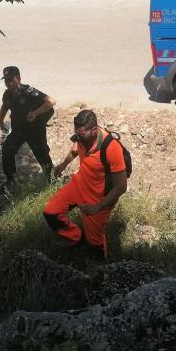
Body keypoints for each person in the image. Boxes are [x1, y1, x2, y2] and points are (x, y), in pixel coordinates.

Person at [43, 109, 128, 258]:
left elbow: (121, 186)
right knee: (51, 212)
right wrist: (63, 165)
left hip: (98, 198)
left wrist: (98, 206)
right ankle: (77, 239)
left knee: (95, 245)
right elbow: (75, 149)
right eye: (76, 134)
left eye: (81, 135)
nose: (78, 139)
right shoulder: (82, 138)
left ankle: (99, 270)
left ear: (94, 130)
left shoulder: (111, 148)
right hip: (79, 184)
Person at [0, 65, 55, 192]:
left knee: (41, 153)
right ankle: (10, 181)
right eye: (6, 80)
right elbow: (4, 107)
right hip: (18, 129)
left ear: (18, 78)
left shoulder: (28, 91)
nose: (8, 82)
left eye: (10, 79)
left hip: (34, 129)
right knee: (7, 149)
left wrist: (35, 113)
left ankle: (52, 179)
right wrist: (1, 121)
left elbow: (51, 102)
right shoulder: (7, 94)